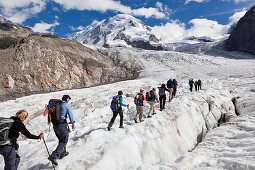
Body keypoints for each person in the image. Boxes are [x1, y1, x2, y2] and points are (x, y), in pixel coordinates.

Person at [48, 95, 75, 166]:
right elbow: (70, 114)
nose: (69, 101)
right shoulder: (65, 105)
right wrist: (73, 123)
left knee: (61, 139)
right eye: (69, 99)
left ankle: (63, 152)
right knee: (64, 140)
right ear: (67, 99)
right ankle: (54, 156)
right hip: (62, 125)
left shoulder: (56, 105)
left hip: (55, 125)